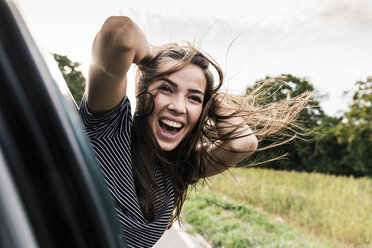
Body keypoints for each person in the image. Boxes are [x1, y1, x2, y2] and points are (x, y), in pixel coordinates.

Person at [79, 16, 310, 248]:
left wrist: (206, 90)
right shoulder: (107, 128)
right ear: (142, 91)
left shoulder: (178, 168)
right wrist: (153, 53)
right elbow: (120, 32)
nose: (179, 107)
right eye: (166, 89)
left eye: (193, 98)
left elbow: (243, 143)